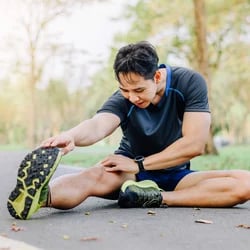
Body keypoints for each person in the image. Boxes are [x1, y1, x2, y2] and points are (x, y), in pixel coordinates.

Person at [7, 41, 250, 220]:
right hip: (128, 173)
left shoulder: (189, 83)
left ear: (156, 76)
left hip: (176, 175)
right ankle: (38, 197)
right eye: (124, 90)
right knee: (91, 177)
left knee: (245, 183)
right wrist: (70, 136)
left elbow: (194, 144)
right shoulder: (124, 96)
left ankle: (153, 198)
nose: (132, 97)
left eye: (138, 90)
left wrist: (141, 164)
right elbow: (98, 125)